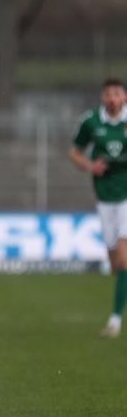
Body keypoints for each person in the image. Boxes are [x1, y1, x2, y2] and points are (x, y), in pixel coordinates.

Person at [68, 77, 127, 338]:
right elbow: (74, 152)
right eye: (108, 94)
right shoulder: (91, 121)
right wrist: (90, 166)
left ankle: (115, 320)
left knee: (125, 259)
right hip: (104, 197)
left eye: (117, 94)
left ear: (124, 97)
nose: (113, 98)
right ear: (103, 98)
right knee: (115, 264)